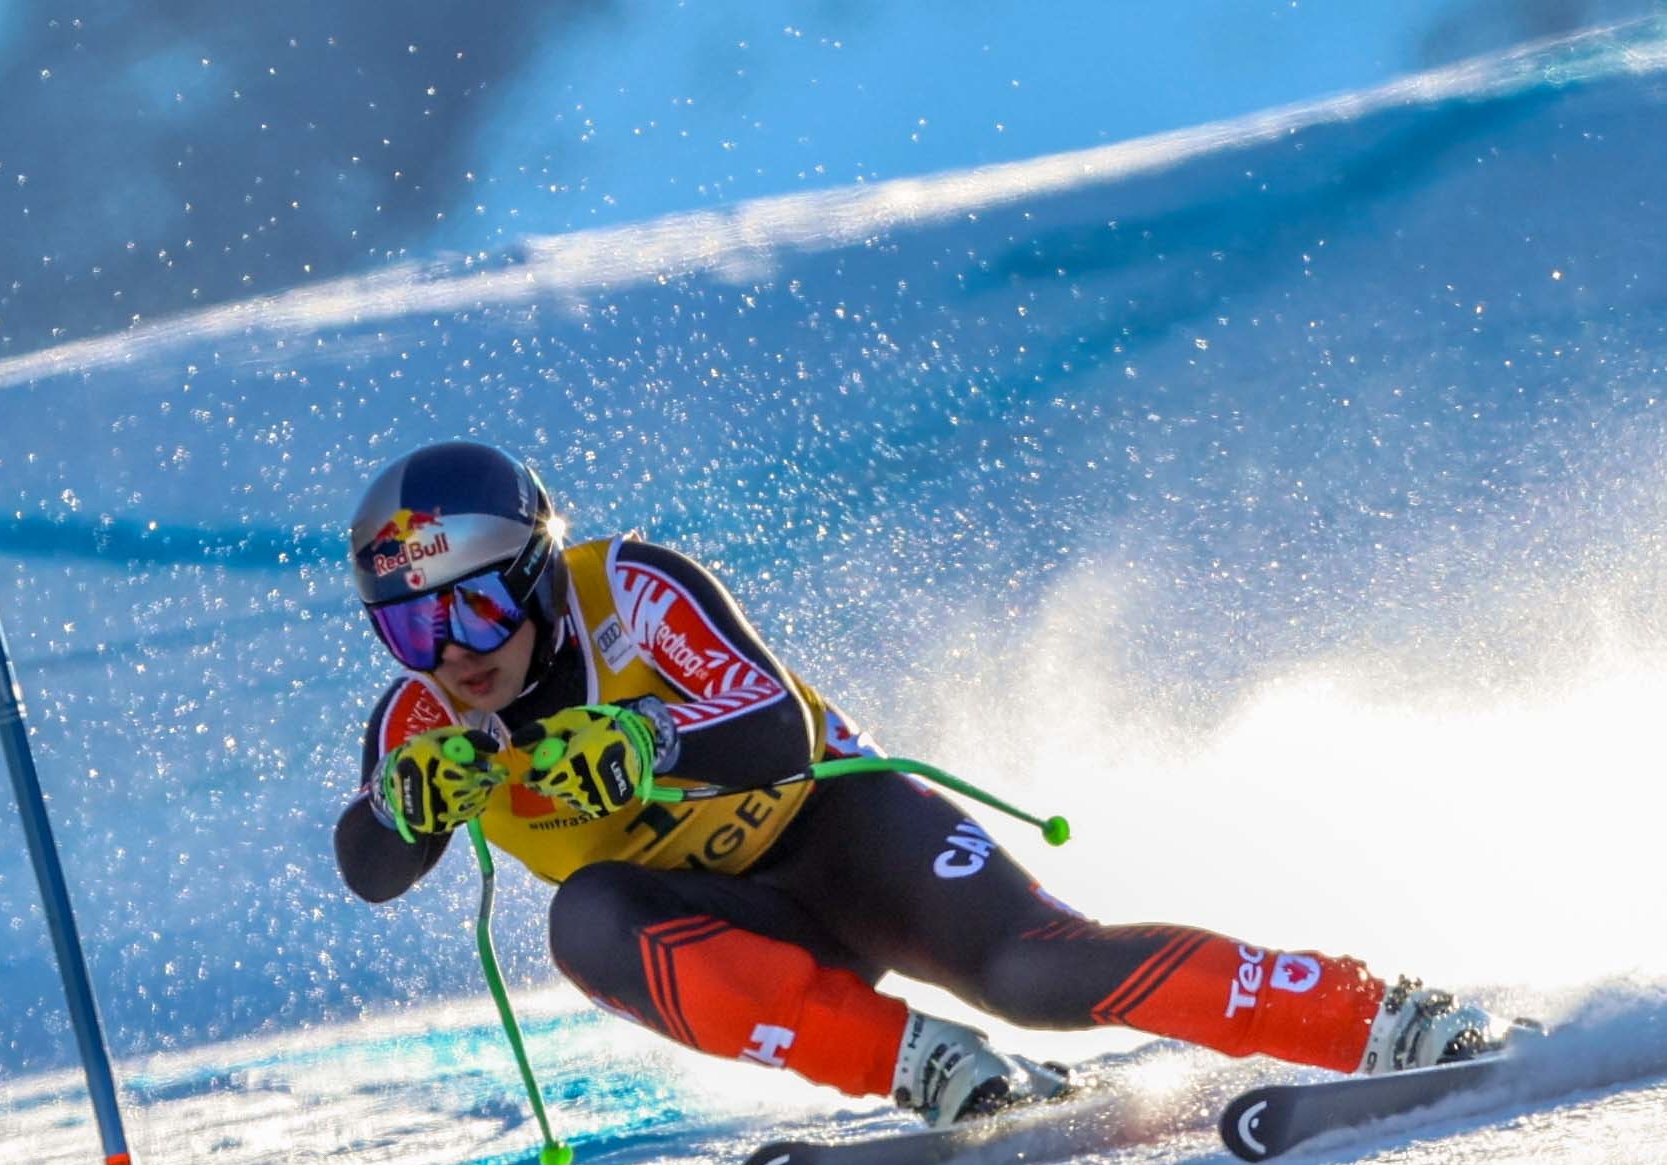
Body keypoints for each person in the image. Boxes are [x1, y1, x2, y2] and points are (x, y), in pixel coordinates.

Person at [332, 440, 1499, 1124]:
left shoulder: (628, 589)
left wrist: (644, 736)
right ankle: (920, 1063)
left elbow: (772, 733)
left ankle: (1383, 1017)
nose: (452, 650)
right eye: (408, 627)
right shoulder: (425, 721)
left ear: (538, 577)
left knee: (1033, 969)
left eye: (477, 602)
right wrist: (399, 809)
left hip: (845, 833)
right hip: (741, 928)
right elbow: (369, 869)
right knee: (582, 919)